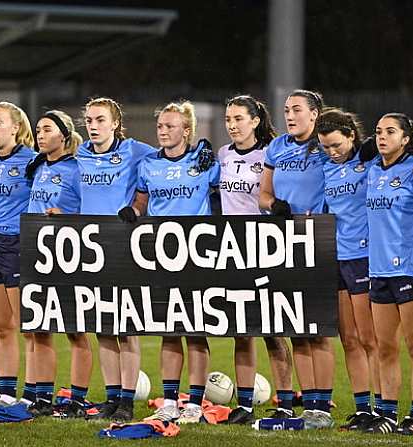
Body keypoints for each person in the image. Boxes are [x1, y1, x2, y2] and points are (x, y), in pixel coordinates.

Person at [132, 101, 220, 424]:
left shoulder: (205, 161)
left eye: (170, 126)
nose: (163, 130)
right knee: (169, 331)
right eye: (160, 126)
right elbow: (141, 203)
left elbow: (226, 196)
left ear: (186, 130)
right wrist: (133, 212)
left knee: (196, 331)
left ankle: (194, 404)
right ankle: (169, 400)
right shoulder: (148, 165)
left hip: (197, 256)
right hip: (161, 255)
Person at [258, 90, 336, 429]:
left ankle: (324, 402)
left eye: (297, 110)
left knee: (317, 329)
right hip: (283, 244)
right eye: (286, 110)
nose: (290, 115)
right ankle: (309, 403)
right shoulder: (276, 147)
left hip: (317, 241)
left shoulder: (326, 146)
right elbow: (264, 194)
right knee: (297, 329)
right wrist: (274, 206)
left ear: (315, 114)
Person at [75, 97, 154, 421]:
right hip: (90, 250)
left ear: (115, 124)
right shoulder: (80, 154)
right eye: (90, 120)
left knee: (125, 328)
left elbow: (164, 160)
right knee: (101, 326)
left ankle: (127, 400)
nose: (93, 126)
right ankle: (111, 397)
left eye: (100, 120)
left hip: (122, 249)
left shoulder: (136, 151)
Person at [216, 95, 293, 425]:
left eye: (238, 119)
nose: (232, 125)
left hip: (265, 249)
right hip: (232, 250)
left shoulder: (270, 154)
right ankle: (244, 404)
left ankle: (286, 402)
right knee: (241, 331)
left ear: (255, 121)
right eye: (228, 119)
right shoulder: (223, 154)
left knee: (274, 331)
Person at [363, 113, 413, 435]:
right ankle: (388, 413)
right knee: (385, 345)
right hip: (377, 269)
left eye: (390, 131)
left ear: (405, 138)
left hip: (408, 269)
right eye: (378, 131)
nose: (382, 136)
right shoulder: (373, 170)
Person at [316, 108, 382, 430]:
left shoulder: (369, 159)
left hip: (365, 256)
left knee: (371, 339)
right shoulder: (326, 168)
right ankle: (362, 406)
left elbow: (398, 147)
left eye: (336, 145)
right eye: (326, 147)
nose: (332, 152)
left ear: (351, 135)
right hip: (336, 257)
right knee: (350, 339)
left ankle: (382, 407)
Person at [24, 110, 91, 418]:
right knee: (40, 329)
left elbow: (88, 210)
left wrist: (67, 217)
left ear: (63, 135)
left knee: (75, 331)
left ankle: (77, 399)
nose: (40, 134)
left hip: (68, 254)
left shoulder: (77, 168)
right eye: (38, 129)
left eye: (47, 129)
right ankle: (42, 397)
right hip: (37, 253)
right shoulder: (36, 167)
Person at [0, 102, 36, 405]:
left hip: (16, 244)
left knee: (27, 328)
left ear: (15, 127)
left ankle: (30, 394)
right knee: (0, 327)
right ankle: (5, 393)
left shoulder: (32, 160)